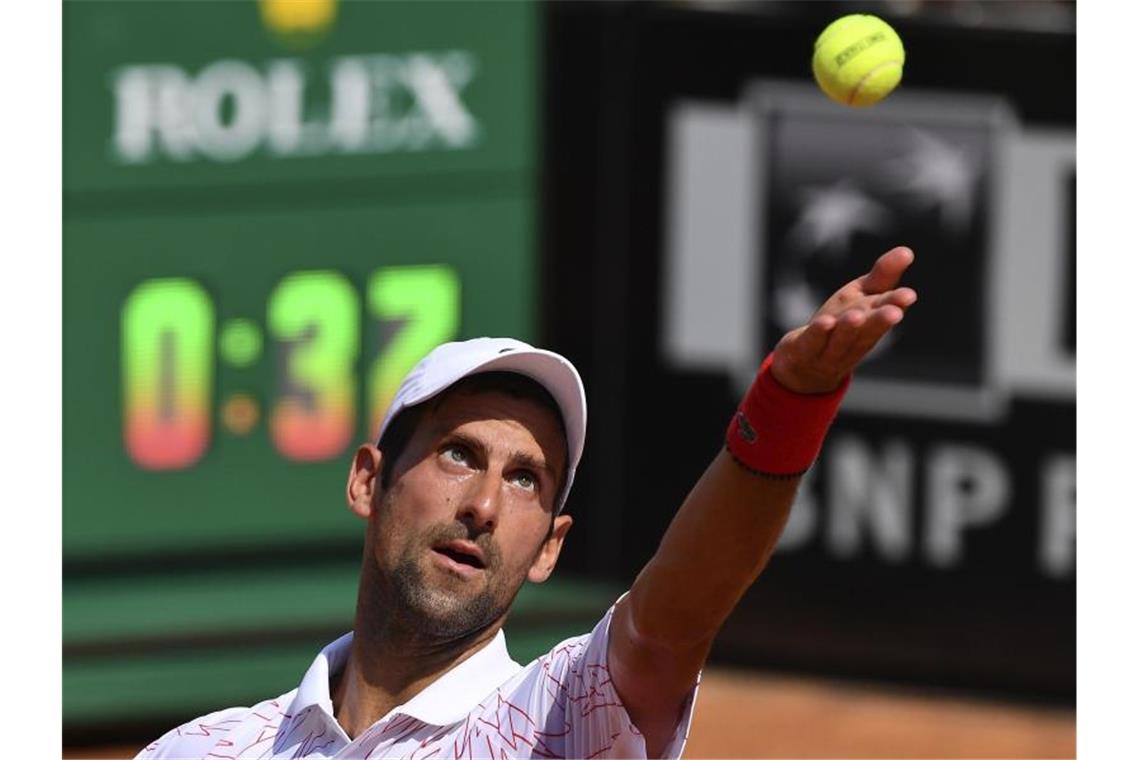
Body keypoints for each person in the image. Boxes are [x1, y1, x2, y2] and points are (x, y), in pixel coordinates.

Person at [136, 247, 918, 759]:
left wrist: (790, 404)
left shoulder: (561, 723)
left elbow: (668, 621)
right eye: (457, 454)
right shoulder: (204, 750)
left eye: (525, 481)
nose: (482, 503)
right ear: (368, 481)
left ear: (550, 545)